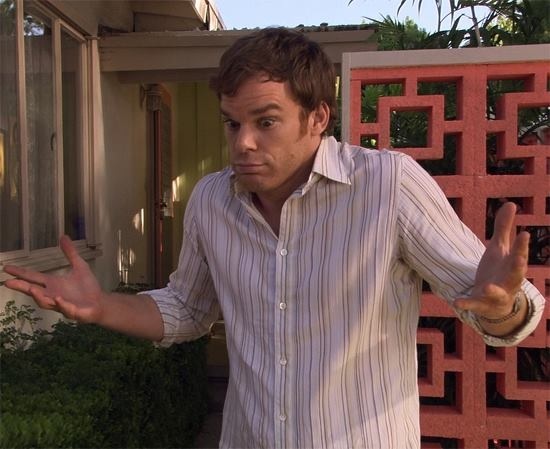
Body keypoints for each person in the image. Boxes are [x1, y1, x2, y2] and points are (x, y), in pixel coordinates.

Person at [3, 28, 545, 449]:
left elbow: (495, 304)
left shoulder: (388, 186)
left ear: (317, 118)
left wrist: (503, 307)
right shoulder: (212, 200)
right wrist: (101, 307)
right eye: (231, 124)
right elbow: (186, 309)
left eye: (265, 122)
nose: (243, 143)